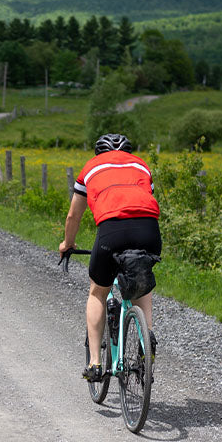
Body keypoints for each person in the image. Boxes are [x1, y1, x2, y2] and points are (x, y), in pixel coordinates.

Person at [59, 133, 161, 382]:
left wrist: (68, 243)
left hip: (112, 230)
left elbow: (74, 216)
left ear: (99, 153)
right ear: (127, 152)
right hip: (148, 229)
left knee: (98, 292)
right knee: (141, 283)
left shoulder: (91, 169)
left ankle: (94, 363)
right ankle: (145, 339)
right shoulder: (141, 165)